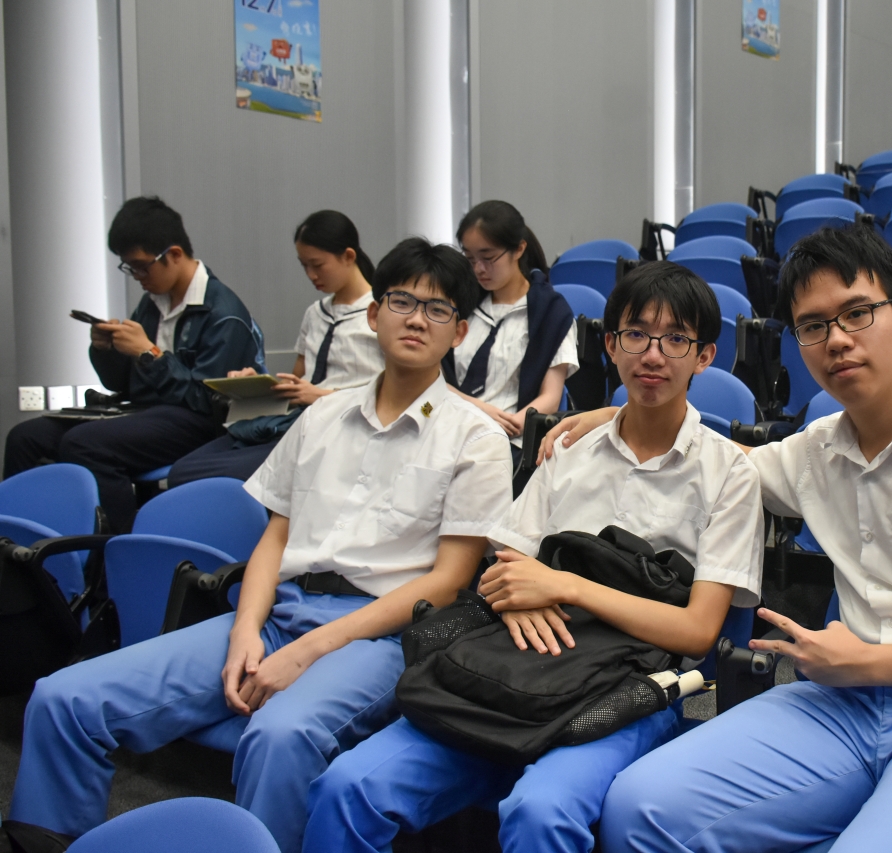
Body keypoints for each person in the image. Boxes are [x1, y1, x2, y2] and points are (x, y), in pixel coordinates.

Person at [549, 225, 892, 852]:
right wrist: (623, 415)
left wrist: (869, 662)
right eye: (813, 326)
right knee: (638, 809)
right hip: (852, 703)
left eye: (857, 313)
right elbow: (716, 464)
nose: (836, 339)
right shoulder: (817, 450)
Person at [5, 239, 514, 853]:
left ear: (459, 331)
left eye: (437, 310)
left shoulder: (475, 438)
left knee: (281, 736)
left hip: (381, 635)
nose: (416, 320)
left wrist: (308, 651)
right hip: (278, 613)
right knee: (64, 699)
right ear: (374, 314)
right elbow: (275, 536)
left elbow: (448, 581)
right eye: (402, 301)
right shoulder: (322, 417)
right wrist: (247, 628)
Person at [301, 261, 764, 853]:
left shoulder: (728, 474)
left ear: (705, 357)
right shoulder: (569, 450)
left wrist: (563, 586)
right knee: (346, 786)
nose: (653, 355)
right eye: (636, 335)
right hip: (513, 666)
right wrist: (520, 598)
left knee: (540, 811)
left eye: (676, 339)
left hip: (630, 686)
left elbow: (698, 631)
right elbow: (502, 567)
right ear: (610, 346)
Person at [2, 196, 262, 532]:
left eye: (141, 266)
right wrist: (105, 350)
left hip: (197, 422)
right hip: (144, 413)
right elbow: (121, 384)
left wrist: (149, 354)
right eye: (128, 267)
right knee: (25, 437)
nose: (137, 276)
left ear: (174, 254)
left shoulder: (224, 313)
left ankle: (114, 551)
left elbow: (205, 399)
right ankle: (20, 546)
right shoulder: (153, 302)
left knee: (85, 444)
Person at [168, 210, 383, 486]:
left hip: (341, 427)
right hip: (297, 422)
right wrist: (259, 385)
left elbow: (394, 396)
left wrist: (321, 395)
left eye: (317, 264)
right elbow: (298, 381)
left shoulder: (380, 314)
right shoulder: (315, 314)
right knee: (183, 470)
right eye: (304, 265)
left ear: (348, 256)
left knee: (199, 476)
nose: (311, 275)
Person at [446, 201, 577, 460]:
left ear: (518, 249)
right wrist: (477, 411)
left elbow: (550, 398)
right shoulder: (458, 304)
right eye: (470, 258)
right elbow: (431, 382)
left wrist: (504, 427)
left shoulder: (550, 311)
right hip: (448, 424)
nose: (478, 269)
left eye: (488, 257)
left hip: (509, 439)